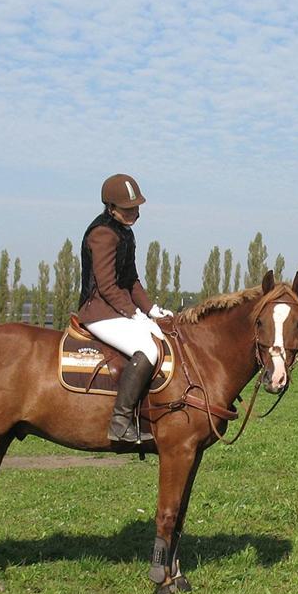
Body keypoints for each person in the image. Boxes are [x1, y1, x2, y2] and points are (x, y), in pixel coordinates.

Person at [78, 173, 174, 444]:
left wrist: (151, 310)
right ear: (110, 208)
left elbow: (131, 280)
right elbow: (107, 287)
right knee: (148, 349)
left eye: (136, 207)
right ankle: (120, 422)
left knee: (159, 339)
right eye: (128, 208)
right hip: (98, 311)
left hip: (115, 309)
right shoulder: (102, 234)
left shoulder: (125, 232)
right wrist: (135, 315)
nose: (135, 213)